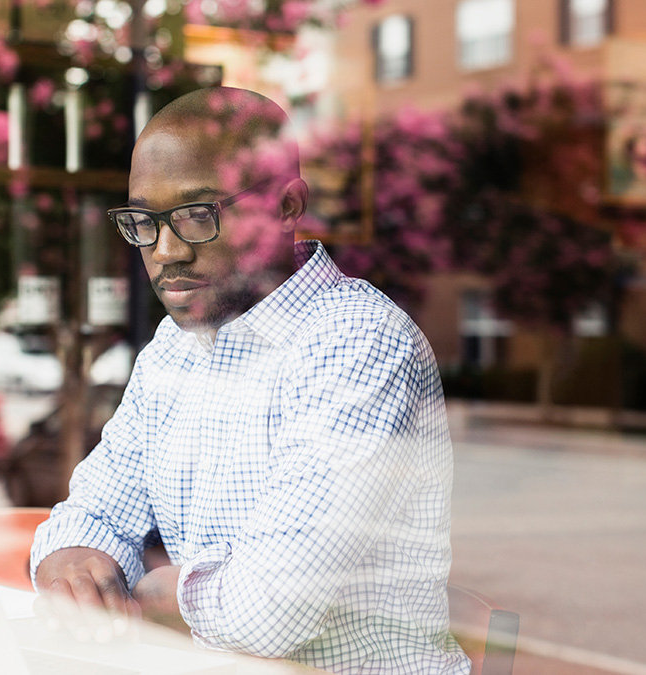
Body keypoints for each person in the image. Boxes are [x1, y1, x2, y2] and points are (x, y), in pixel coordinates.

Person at [30, 87, 468, 675]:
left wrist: (163, 595)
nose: (164, 251)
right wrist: (71, 559)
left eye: (195, 215)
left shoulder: (358, 343)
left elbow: (271, 613)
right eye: (142, 221)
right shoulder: (173, 350)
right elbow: (94, 513)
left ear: (287, 207)